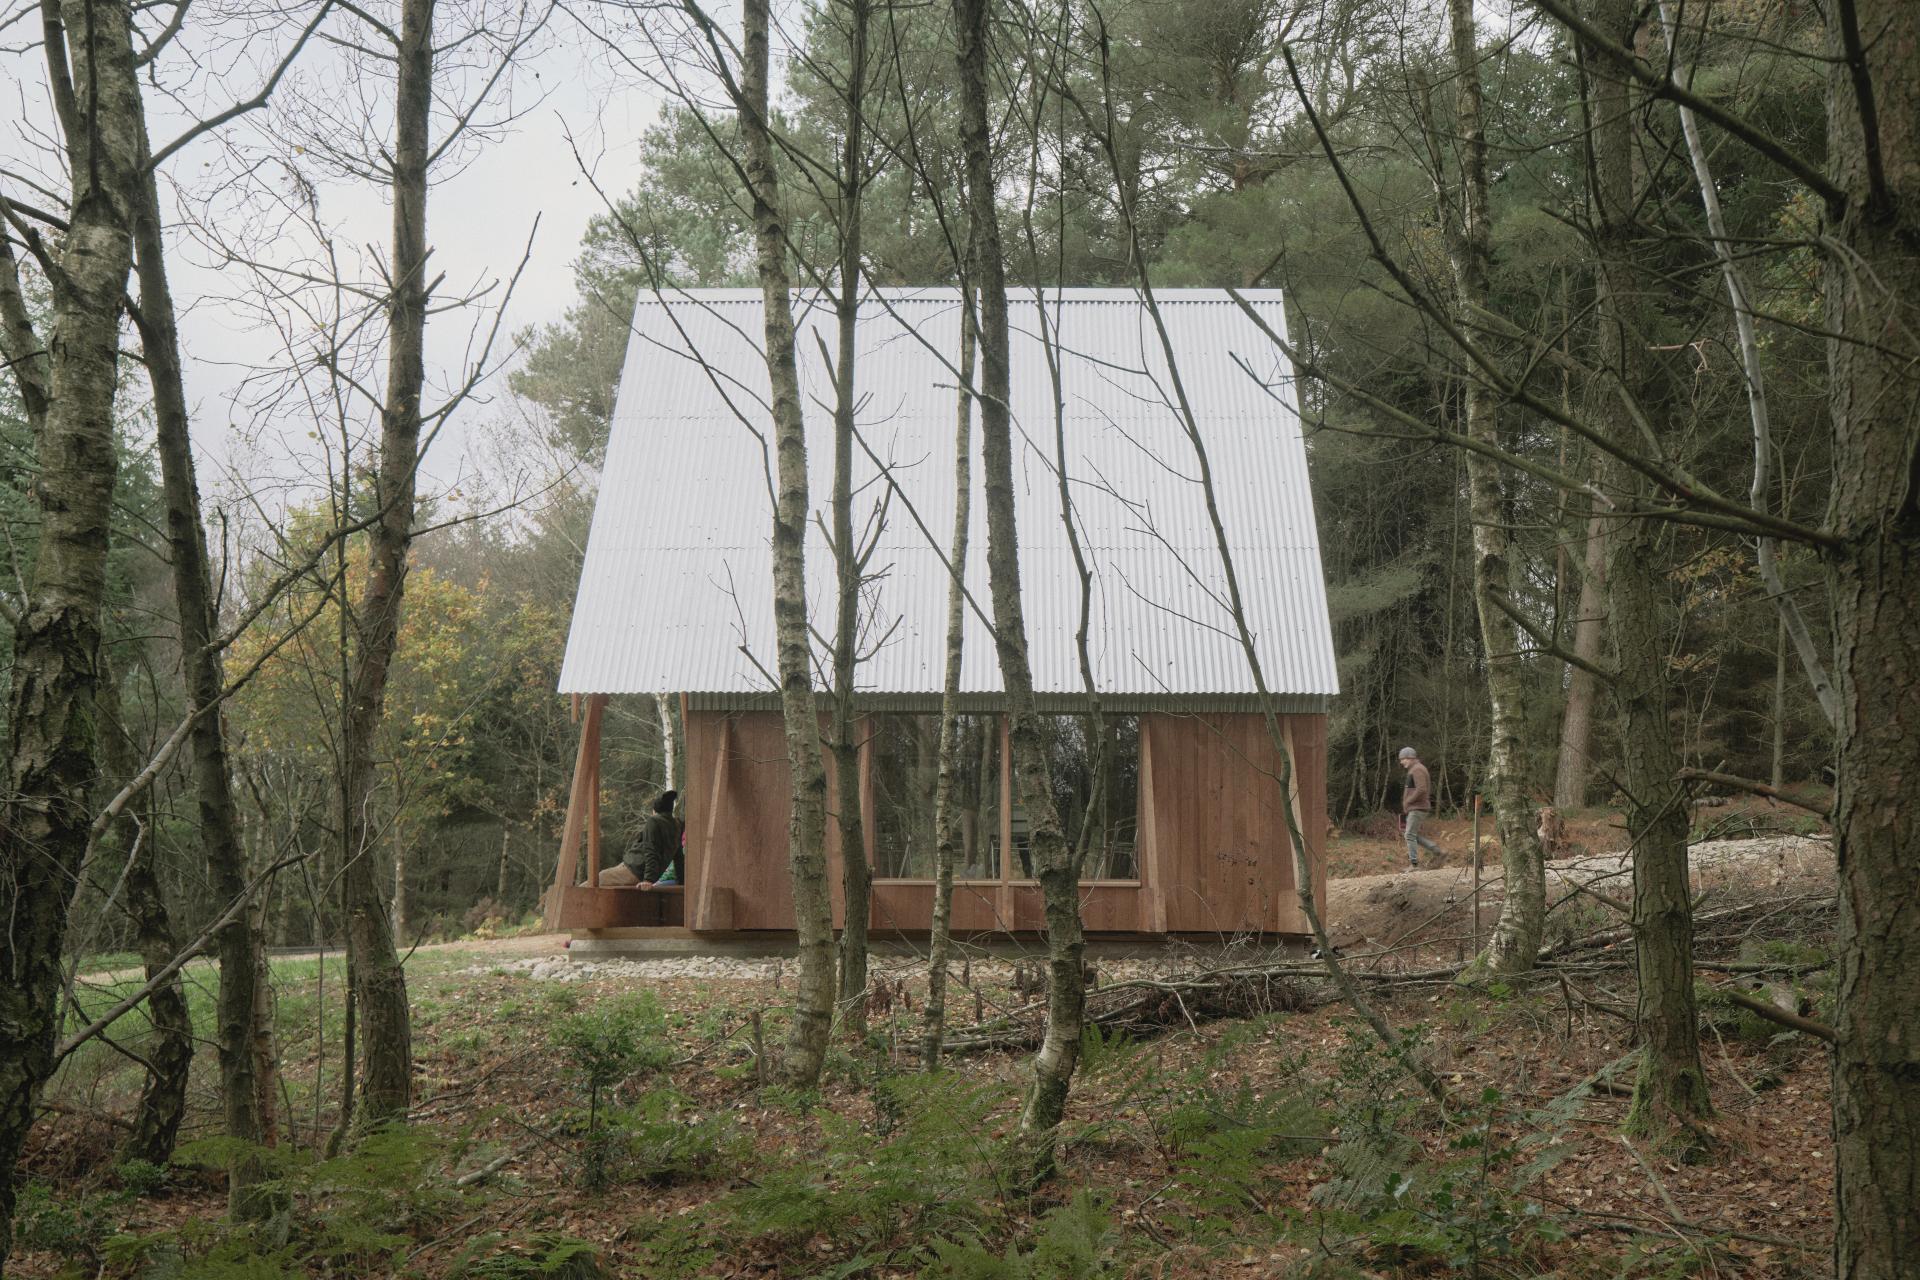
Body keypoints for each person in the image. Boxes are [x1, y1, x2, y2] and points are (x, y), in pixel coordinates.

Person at [597, 790, 683, 887]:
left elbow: (651, 849)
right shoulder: (677, 826)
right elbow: (679, 857)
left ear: (655, 811)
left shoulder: (654, 821)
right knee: (603, 875)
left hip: (635, 869)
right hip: (635, 868)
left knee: (596, 879)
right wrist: (682, 881)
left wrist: (648, 880)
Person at [1397, 747, 1442, 869]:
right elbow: (1416, 789)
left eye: (1403, 759)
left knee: (1409, 835)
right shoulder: (1415, 769)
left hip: (1417, 807)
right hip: (1416, 807)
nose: (1401, 762)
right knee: (1410, 834)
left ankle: (1414, 864)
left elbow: (1421, 789)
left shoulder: (1417, 770)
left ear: (1410, 758)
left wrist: (1408, 801)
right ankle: (1436, 850)